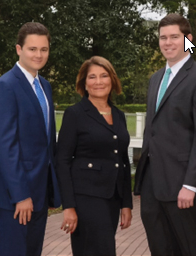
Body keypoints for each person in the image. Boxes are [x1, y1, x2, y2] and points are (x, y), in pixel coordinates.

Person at [134, 13, 196, 256]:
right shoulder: (155, 79)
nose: (168, 42)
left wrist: (191, 185)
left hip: (186, 189)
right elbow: (152, 132)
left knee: (194, 250)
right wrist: (143, 183)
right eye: (163, 37)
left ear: (188, 39)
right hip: (154, 187)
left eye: (175, 36)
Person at [0, 22, 61, 256]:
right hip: (14, 197)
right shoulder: (5, 86)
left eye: (44, 49)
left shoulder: (45, 86)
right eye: (32, 49)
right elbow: (4, 147)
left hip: (38, 194)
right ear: (19, 49)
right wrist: (20, 195)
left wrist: (50, 189)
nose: (38, 55)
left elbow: (46, 143)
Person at [56, 56, 133, 256]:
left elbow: (123, 161)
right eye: (92, 77)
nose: (98, 82)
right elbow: (62, 161)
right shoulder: (75, 114)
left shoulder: (119, 115)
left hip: (112, 199)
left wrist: (126, 203)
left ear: (112, 80)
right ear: (84, 83)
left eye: (104, 76)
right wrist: (69, 207)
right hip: (86, 198)